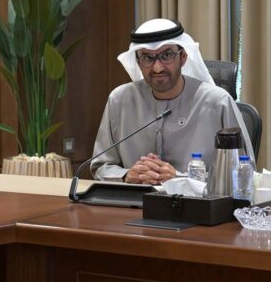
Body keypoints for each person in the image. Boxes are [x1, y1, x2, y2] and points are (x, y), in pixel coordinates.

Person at [91, 19, 254, 184]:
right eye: (147, 58)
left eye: (166, 55)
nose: (157, 68)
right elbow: (101, 165)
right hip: (134, 199)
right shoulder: (120, 100)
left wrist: (180, 179)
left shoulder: (218, 103)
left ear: (183, 57)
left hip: (197, 200)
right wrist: (127, 175)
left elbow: (244, 172)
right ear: (138, 62)